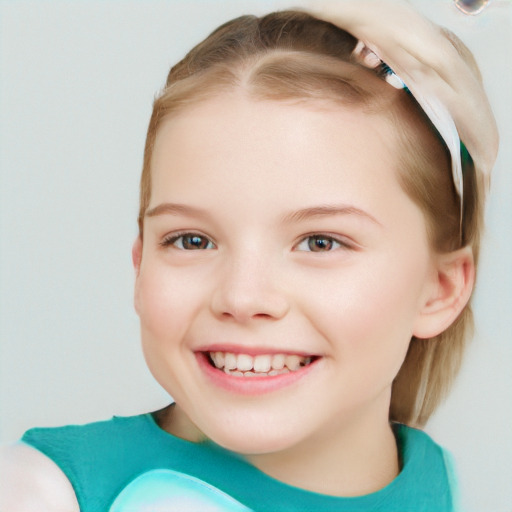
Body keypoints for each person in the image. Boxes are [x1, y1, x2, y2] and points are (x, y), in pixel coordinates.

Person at [0, 1, 498, 510]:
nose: (242, 296)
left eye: (320, 242)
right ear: (141, 262)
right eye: (192, 240)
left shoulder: (447, 486)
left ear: (441, 290)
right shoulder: (42, 492)